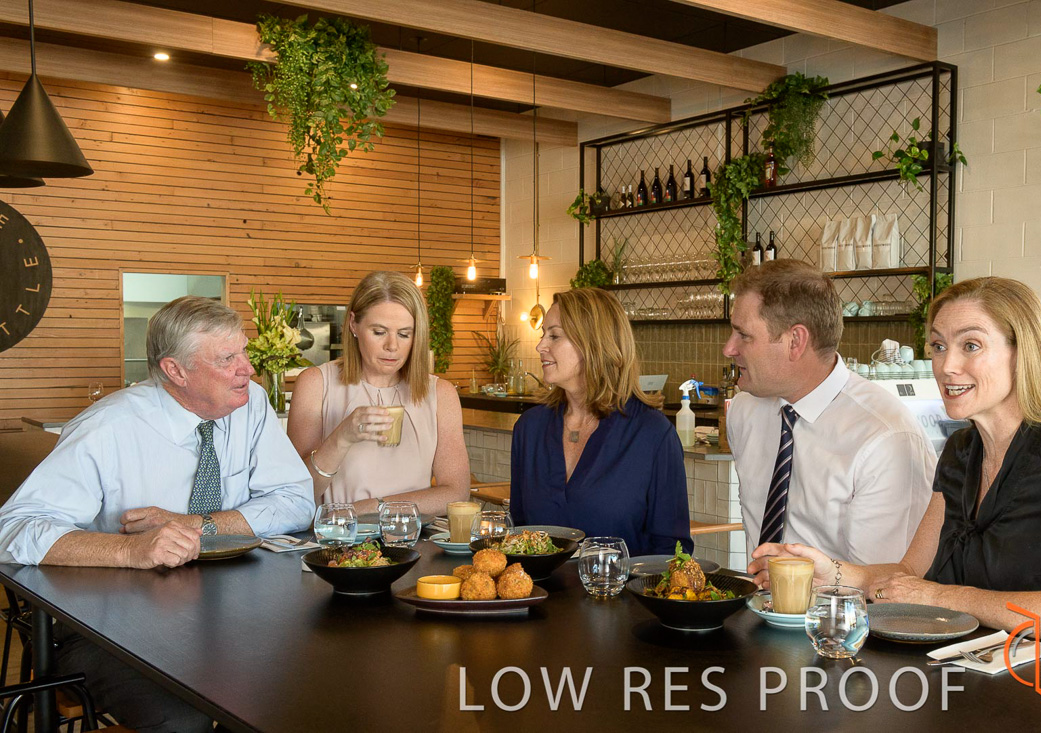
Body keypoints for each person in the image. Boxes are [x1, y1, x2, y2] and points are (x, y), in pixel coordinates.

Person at [751, 276, 1041, 644]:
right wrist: (831, 572)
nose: (946, 365)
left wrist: (938, 597)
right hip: (977, 671)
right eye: (938, 346)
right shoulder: (961, 452)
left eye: (971, 345)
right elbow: (910, 574)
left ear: (1023, 353)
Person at [0, 295, 315, 732]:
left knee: (305, 683)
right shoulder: (108, 428)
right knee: (184, 717)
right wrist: (131, 551)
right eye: (228, 359)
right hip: (106, 623)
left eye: (243, 351)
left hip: (230, 608)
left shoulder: (252, 404)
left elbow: (296, 500)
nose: (248, 368)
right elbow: (13, 529)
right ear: (175, 371)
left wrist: (196, 525)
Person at [723, 259, 936, 565]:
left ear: (795, 341)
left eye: (743, 335)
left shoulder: (886, 438)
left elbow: (890, 583)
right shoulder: (745, 412)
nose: (728, 349)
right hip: (756, 596)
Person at [509, 287, 692, 556]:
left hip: (625, 585)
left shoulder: (652, 434)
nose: (540, 346)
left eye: (554, 336)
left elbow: (672, 549)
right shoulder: (529, 428)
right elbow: (519, 531)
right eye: (543, 334)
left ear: (593, 344)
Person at [288, 271, 470, 515]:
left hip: (414, 537)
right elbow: (295, 495)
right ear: (353, 324)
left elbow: (456, 493)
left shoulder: (441, 394)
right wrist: (341, 438)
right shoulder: (315, 384)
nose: (392, 346)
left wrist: (370, 508)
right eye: (379, 332)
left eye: (404, 334)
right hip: (338, 537)